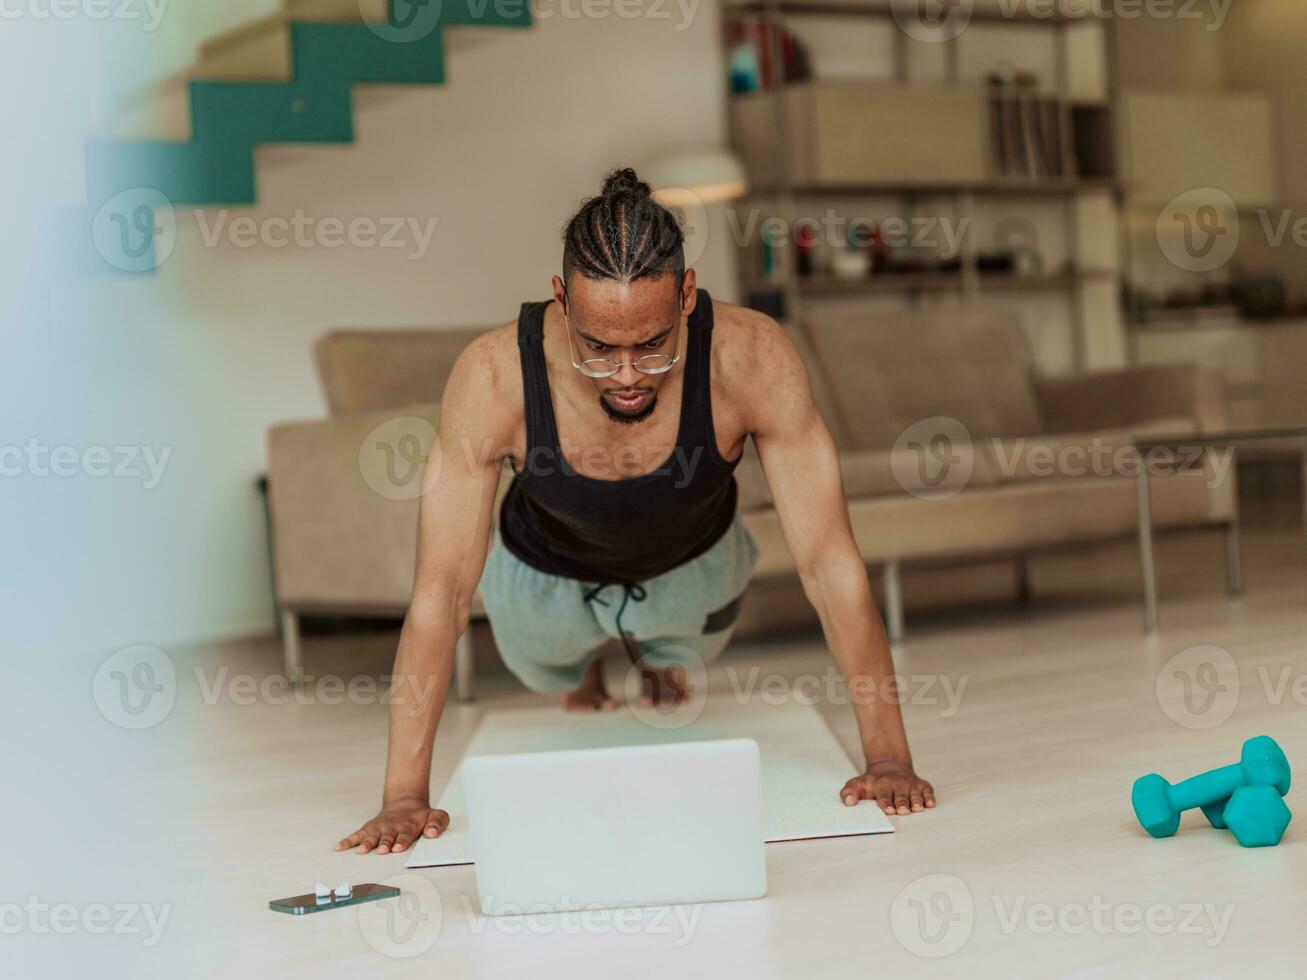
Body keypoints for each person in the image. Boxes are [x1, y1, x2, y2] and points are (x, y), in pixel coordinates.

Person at [337, 168, 935, 856]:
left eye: (650, 345)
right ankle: (586, 667)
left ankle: (651, 654)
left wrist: (887, 757)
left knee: (683, 649)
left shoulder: (750, 355)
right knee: (545, 669)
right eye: (599, 346)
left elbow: (829, 563)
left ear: (686, 294)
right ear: (560, 301)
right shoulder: (493, 375)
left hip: (691, 563)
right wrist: (404, 798)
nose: (626, 375)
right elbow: (439, 594)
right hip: (542, 574)